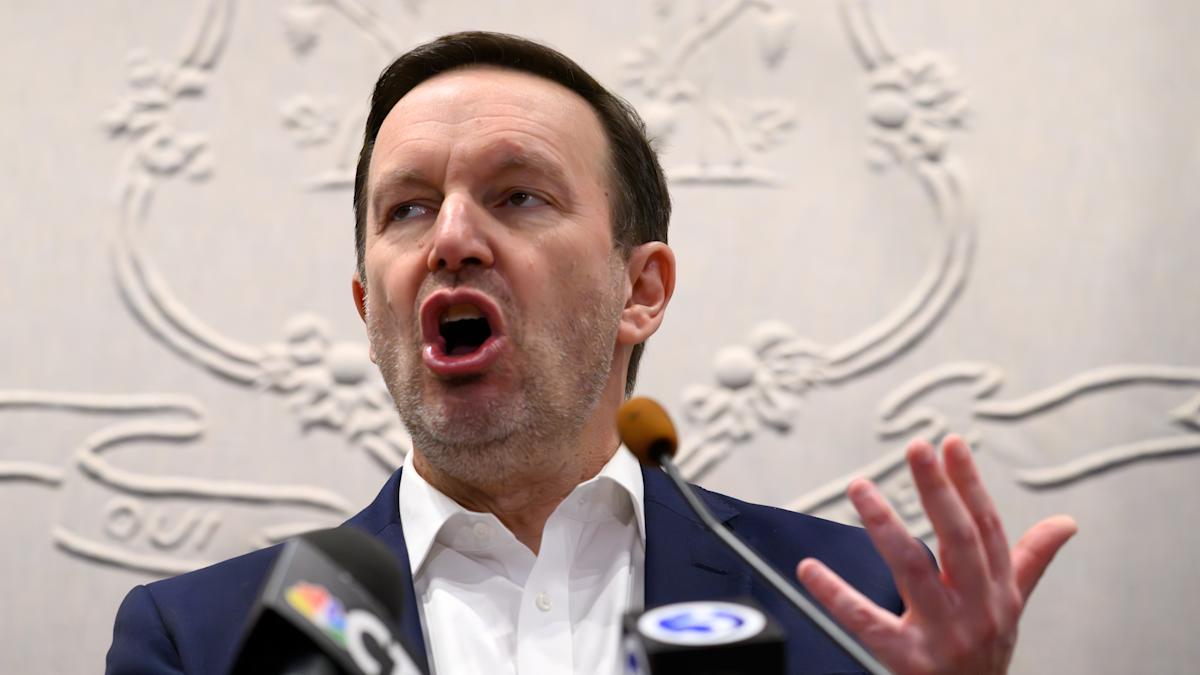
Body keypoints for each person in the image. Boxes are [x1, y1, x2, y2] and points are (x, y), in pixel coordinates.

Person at [106, 31, 1077, 675]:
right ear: (370, 311)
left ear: (640, 290)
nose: (451, 238)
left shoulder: (858, 601)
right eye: (407, 209)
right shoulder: (199, 641)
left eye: (518, 195)